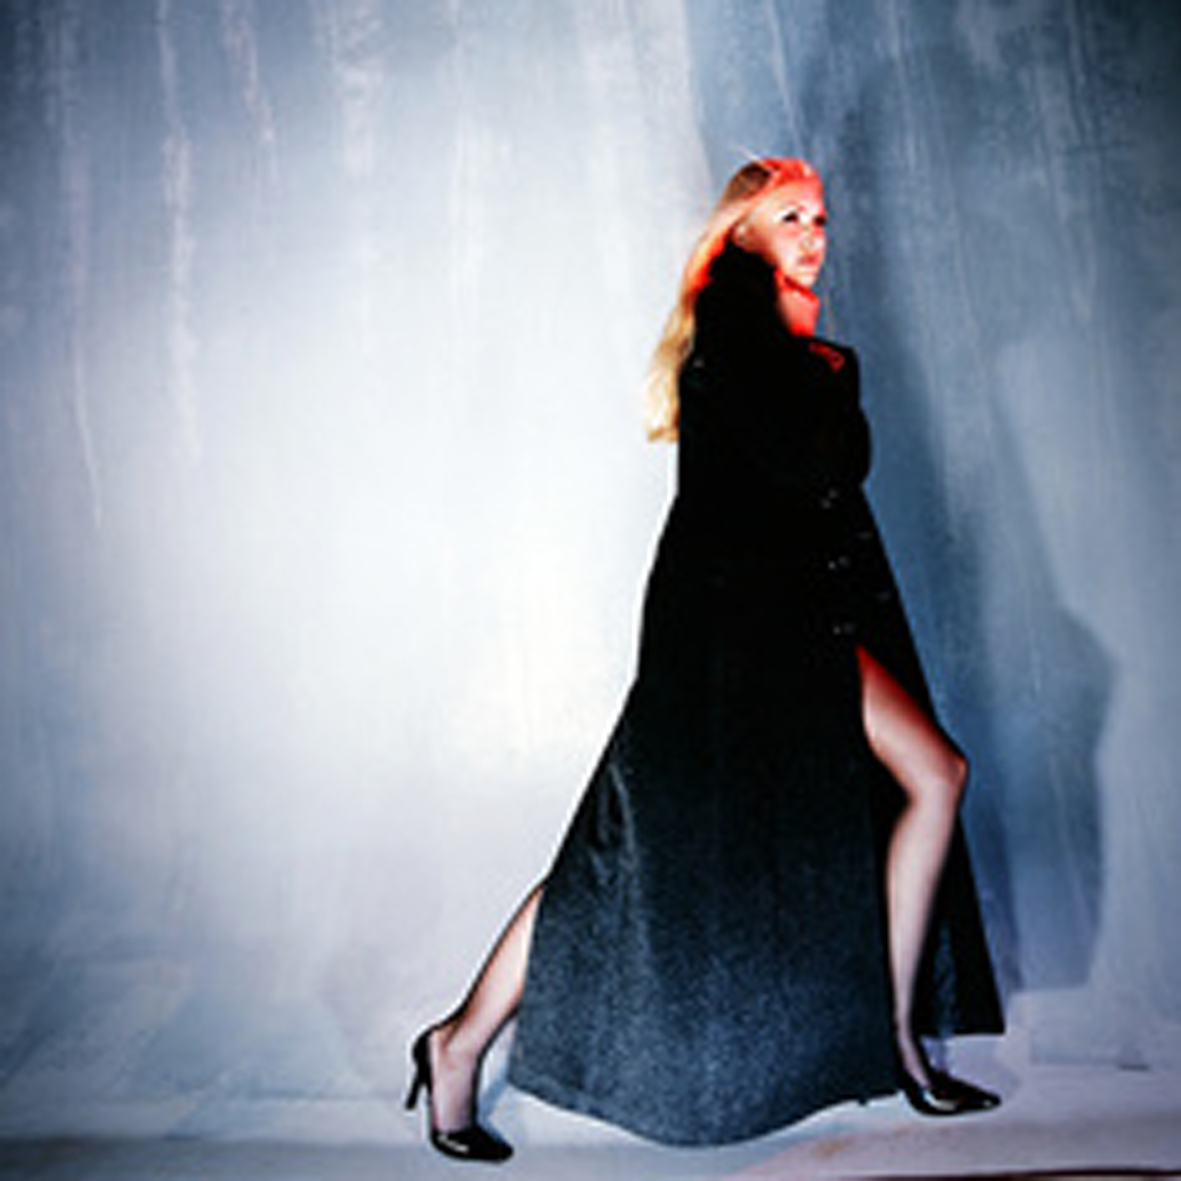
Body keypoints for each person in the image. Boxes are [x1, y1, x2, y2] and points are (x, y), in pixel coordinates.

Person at [404, 157, 1004, 1162]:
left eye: (820, 218)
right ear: (740, 230)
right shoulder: (735, 319)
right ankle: (457, 1043)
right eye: (789, 216)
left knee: (932, 775)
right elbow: (819, 463)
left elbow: (809, 483)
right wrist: (829, 367)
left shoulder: (771, 334)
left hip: (790, 623)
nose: (813, 235)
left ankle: (898, 1040)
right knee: (619, 856)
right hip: (727, 638)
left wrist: (820, 358)